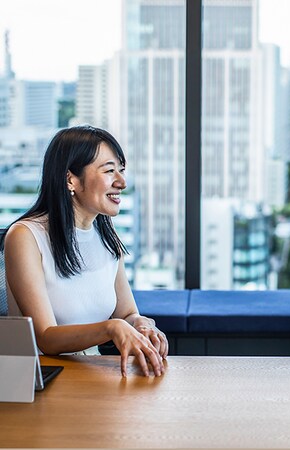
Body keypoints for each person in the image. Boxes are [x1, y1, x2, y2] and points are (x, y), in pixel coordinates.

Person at [1, 125, 168, 377]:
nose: (121, 182)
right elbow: (46, 338)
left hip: (92, 376)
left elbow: (126, 312)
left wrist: (140, 324)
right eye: (109, 171)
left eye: (121, 171)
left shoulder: (105, 232)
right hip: (44, 380)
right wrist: (111, 329)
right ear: (71, 180)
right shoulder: (26, 236)